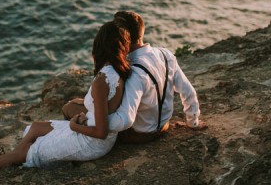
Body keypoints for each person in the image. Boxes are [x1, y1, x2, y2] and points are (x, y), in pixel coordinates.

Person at [0, 21, 131, 180]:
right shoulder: (118, 72)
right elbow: (104, 109)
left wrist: (73, 126)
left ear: (100, 45)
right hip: (91, 130)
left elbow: (101, 131)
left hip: (92, 142)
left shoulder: (103, 80)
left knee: (31, 149)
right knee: (35, 128)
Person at [62, 11, 203, 143]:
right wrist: (192, 122)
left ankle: (75, 141)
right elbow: (188, 91)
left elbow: (124, 120)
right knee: (82, 104)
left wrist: (96, 116)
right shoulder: (165, 54)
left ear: (123, 35)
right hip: (163, 126)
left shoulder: (133, 71)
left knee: (69, 108)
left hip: (139, 134)